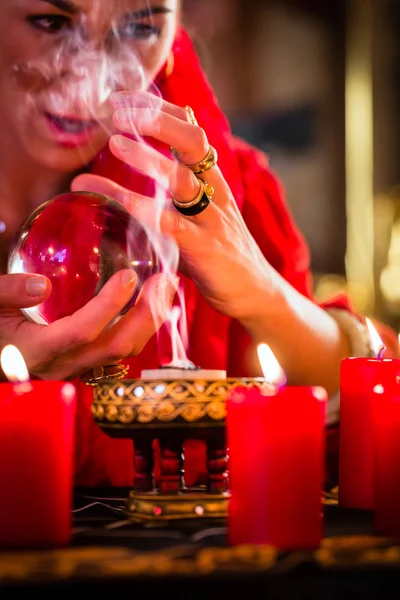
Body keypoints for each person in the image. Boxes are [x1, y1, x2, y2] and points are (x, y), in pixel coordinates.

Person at [0, 0, 397, 487]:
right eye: (51, 22)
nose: (94, 76)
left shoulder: (223, 199)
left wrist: (264, 296)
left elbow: (367, 438)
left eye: (141, 26)